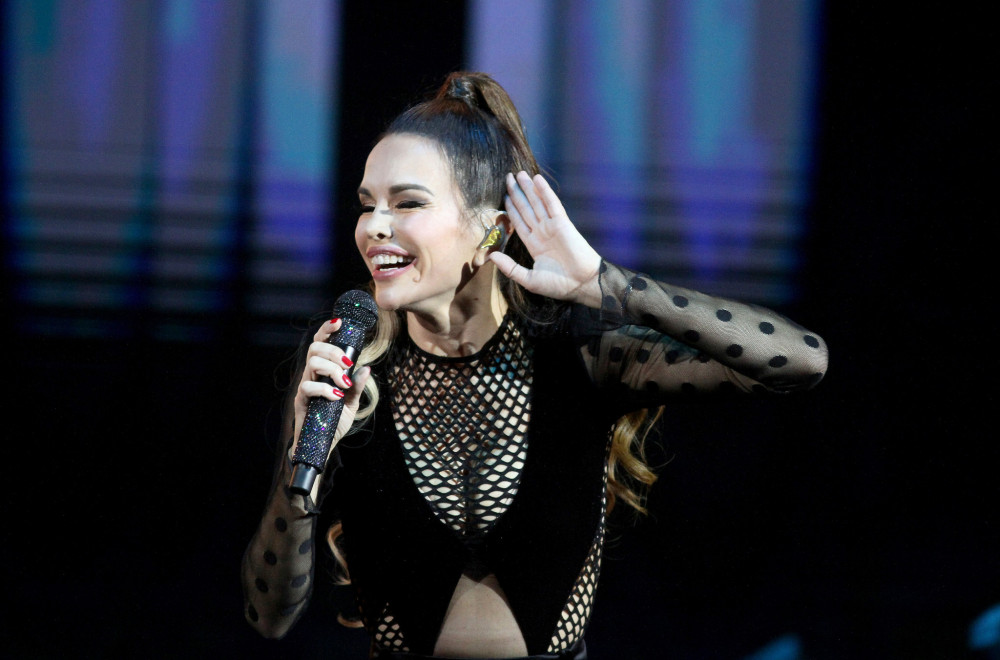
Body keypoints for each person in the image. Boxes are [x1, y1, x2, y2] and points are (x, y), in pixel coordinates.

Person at [242, 71, 828, 659]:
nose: (374, 226)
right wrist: (301, 459)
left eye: (408, 203)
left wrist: (606, 284)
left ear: (491, 230)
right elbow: (270, 616)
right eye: (367, 204)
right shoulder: (349, 368)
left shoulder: (578, 353)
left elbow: (801, 360)